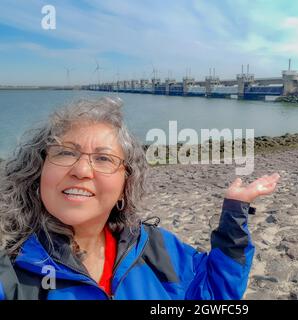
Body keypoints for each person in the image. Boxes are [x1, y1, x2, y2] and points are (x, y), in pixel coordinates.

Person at [0, 97, 280, 300]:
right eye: (65, 152)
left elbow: (213, 295)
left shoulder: (156, 249)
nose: (82, 170)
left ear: (125, 185)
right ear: (37, 173)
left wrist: (234, 211)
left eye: (103, 158)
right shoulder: (11, 272)